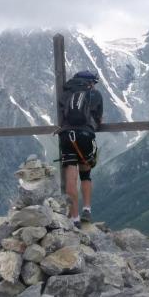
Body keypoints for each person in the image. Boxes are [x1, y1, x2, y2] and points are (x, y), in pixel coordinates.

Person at [58, 70, 103, 227]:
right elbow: (99, 118)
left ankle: (74, 219)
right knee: (85, 175)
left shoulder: (65, 93)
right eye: (94, 82)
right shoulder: (94, 94)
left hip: (66, 136)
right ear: (89, 82)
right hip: (85, 135)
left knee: (71, 178)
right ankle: (87, 210)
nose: (94, 85)